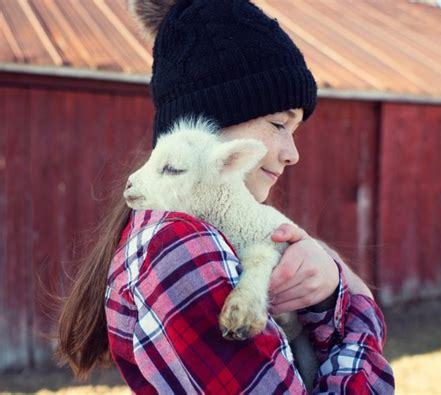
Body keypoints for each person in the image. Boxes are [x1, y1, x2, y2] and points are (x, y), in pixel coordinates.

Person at [57, 1, 395, 393]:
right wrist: (357, 298)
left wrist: (328, 279)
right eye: (278, 124)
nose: (293, 153)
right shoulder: (178, 248)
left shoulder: (216, 235)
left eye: (295, 130)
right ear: (208, 126)